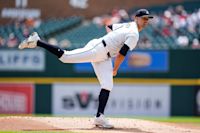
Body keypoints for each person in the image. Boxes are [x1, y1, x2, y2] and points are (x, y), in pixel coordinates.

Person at [18, 9, 153, 129]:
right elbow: (122, 54)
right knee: (66, 57)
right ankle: (37, 41)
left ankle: (99, 117)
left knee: (107, 84)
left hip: (104, 55)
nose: (146, 21)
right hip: (99, 49)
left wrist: (112, 42)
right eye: (144, 18)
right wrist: (115, 68)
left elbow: (109, 27)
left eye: (147, 19)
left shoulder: (127, 25)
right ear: (136, 18)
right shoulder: (134, 33)